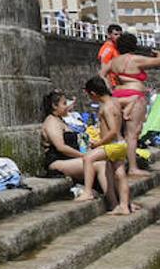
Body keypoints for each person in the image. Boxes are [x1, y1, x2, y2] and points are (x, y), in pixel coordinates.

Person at [40, 90, 116, 206]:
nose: (67, 107)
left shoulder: (60, 120)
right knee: (100, 164)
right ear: (54, 106)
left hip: (70, 159)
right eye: (64, 104)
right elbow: (61, 147)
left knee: (107, 161)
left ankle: (119, 201)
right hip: (57, 162)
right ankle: (112, 202)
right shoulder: (51, 122)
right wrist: (84, 156)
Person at [102, 32, 159, 177]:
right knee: (132, 134)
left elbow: (101, 74)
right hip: (134, 96)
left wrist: (109, 88)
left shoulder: (114, 62)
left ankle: (117, 167)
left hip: (116, 96)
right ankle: (133, 167)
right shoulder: (136, 59)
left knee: (118, 134)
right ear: (134, 45)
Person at [81, 76, 134, 215]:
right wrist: (126, 113)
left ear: (93, 94)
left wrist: (98, 143)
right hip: (122, 144)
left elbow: (113, 131)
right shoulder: (115, 101)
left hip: (113, 144)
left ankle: (87, 192)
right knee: (120, 174)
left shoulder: (106, 107)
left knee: (87, 158)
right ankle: (123, 205)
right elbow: (133, 100)